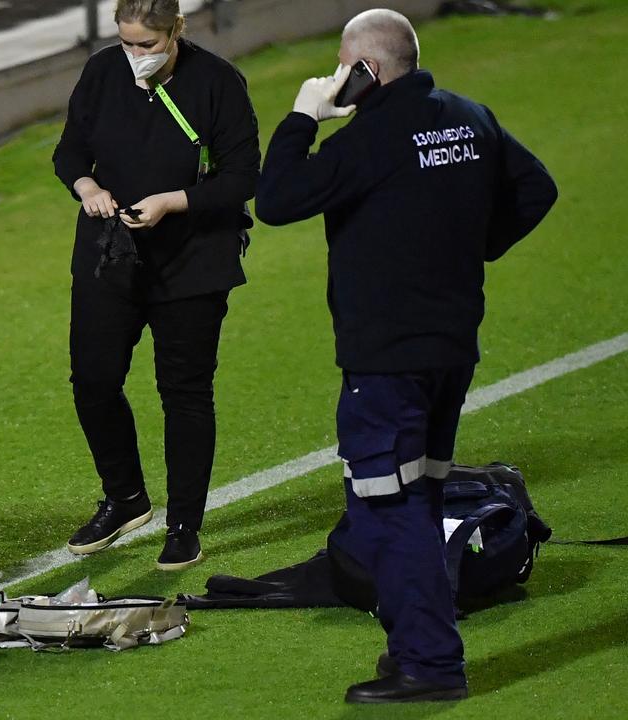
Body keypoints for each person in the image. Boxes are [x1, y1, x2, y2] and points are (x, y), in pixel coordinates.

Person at [254, 10, 557, 703]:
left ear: (367, 70)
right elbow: (537, 189)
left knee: (395, 508)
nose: (336, 78)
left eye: (342, 67)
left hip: (387, 358)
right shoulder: (468, 116)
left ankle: (431, 664)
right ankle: (409, 644)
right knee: (408, 496)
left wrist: (303, 116)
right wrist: (471, 246)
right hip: (452, 349)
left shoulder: (372, 138)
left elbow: (275, 199)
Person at [51, 0, 259, 569]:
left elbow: (243, 175)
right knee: (93, 380)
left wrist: (172, 201)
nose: (135, 55)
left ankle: (184, 525)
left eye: (147, 44)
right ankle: (125, 498)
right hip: (109, 255)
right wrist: (87, 186)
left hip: (192, 261)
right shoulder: (101, 71)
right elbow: (69, 151)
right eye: (126, 43)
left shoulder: (217, 82)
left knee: (185, 393)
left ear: (176, 31)